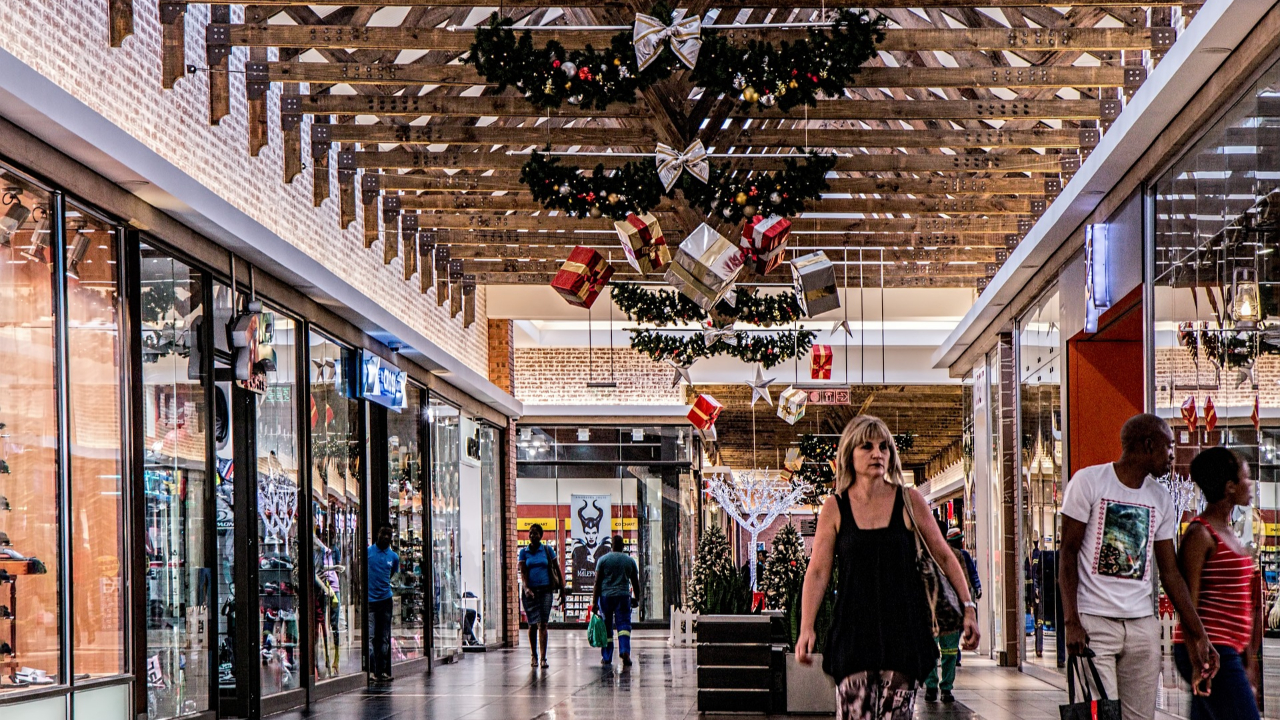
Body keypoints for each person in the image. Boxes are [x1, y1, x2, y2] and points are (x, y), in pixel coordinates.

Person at [796, 415, 980, 720]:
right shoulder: (835, 507)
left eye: (884, 446)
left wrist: (968, 607)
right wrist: (806, 627)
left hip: (902, 633)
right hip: (853, 635)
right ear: (849, 454)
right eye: (866, 446)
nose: (877, 453)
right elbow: (817, 572)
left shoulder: (909, 501)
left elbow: (945, 557)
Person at [1060, 413, 1218, 720]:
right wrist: (1071, 622)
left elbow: (1170, 572)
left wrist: (1199, 633)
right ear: (1148, 445)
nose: (1173, 455)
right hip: (1094, 624)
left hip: (1141, 626)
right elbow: (1068, 554)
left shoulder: (1159, 498)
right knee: (1099, 716)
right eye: (1169, 446)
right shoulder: (1089, 482)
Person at [1174, 447, 1261, 720]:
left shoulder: (1230, 532)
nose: (1251, 485)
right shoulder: (1201, 534)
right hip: (1212, 651)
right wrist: (1198, 660)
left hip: (1228, 651)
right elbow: (1188, 604)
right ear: (1230, 487)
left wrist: (1249, 659)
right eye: (1246, 478)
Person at [924, 523, 979, 703]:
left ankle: (932, 687)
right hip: (950, 609)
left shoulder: (924, 555)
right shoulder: (955, 556)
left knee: (933, 650)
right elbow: (966, 582)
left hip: (931, 609)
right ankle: (945, 688)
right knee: (949, 652)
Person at [519, 523, 563, 669]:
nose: (532, 536)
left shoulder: (547, 550)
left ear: (541, 535)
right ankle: (534, 656)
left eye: (535, 533)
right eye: (530, 533)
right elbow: (523, 572)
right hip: (530, 593)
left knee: (543, 623)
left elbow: (557, 569)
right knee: (532, 624)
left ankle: (543, 657)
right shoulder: (524, 552)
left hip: (545, 591)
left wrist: (562, 589)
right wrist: (526, 588)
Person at [593, 533, 641, 666]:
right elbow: (635, 582)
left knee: (607, 627)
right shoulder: (629, 560)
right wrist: (637, 598)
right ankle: (625, 650)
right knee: (624, 625)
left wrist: (594, 602)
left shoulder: (603, 560)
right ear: (623, 546)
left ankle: (607, 656)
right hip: (623, 596)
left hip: (605, 597)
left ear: (611, 546)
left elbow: (597, 582)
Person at [367, 526, 398, 683]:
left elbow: (392, 573)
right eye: (383, 534)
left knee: (383, 637)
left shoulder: (393, 557)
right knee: (371, 636)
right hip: (370, 601)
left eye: (389, 535)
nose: (386, 537)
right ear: (377, 535)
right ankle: (371, 670)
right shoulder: (368, 553)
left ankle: (381, 671)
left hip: (385, 600)